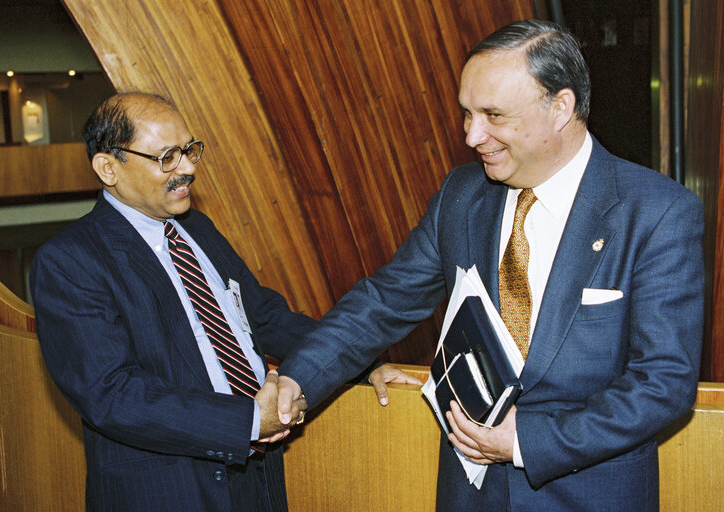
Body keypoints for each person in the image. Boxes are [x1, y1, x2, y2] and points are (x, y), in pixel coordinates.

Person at [275, 19, 704, 511]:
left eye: (494, 115)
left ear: (560, 107)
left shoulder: (658, 212)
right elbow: (384, 301)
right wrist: (298, 379)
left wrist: (526, 442)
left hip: (588, 496)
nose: (472, 135)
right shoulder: (461, 195)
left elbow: (663, 383)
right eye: (466, 113)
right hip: (470, 495)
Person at [29, 91, 412, 512]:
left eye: (190, 150)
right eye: (167, 158)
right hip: (169, 492)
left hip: (257, 478)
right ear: (108, 167)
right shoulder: (69, 260)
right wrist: (247, 422)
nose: (189, 168)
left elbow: (263, 316)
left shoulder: (196, 228)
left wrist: (356, 361)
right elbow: (112, 394)